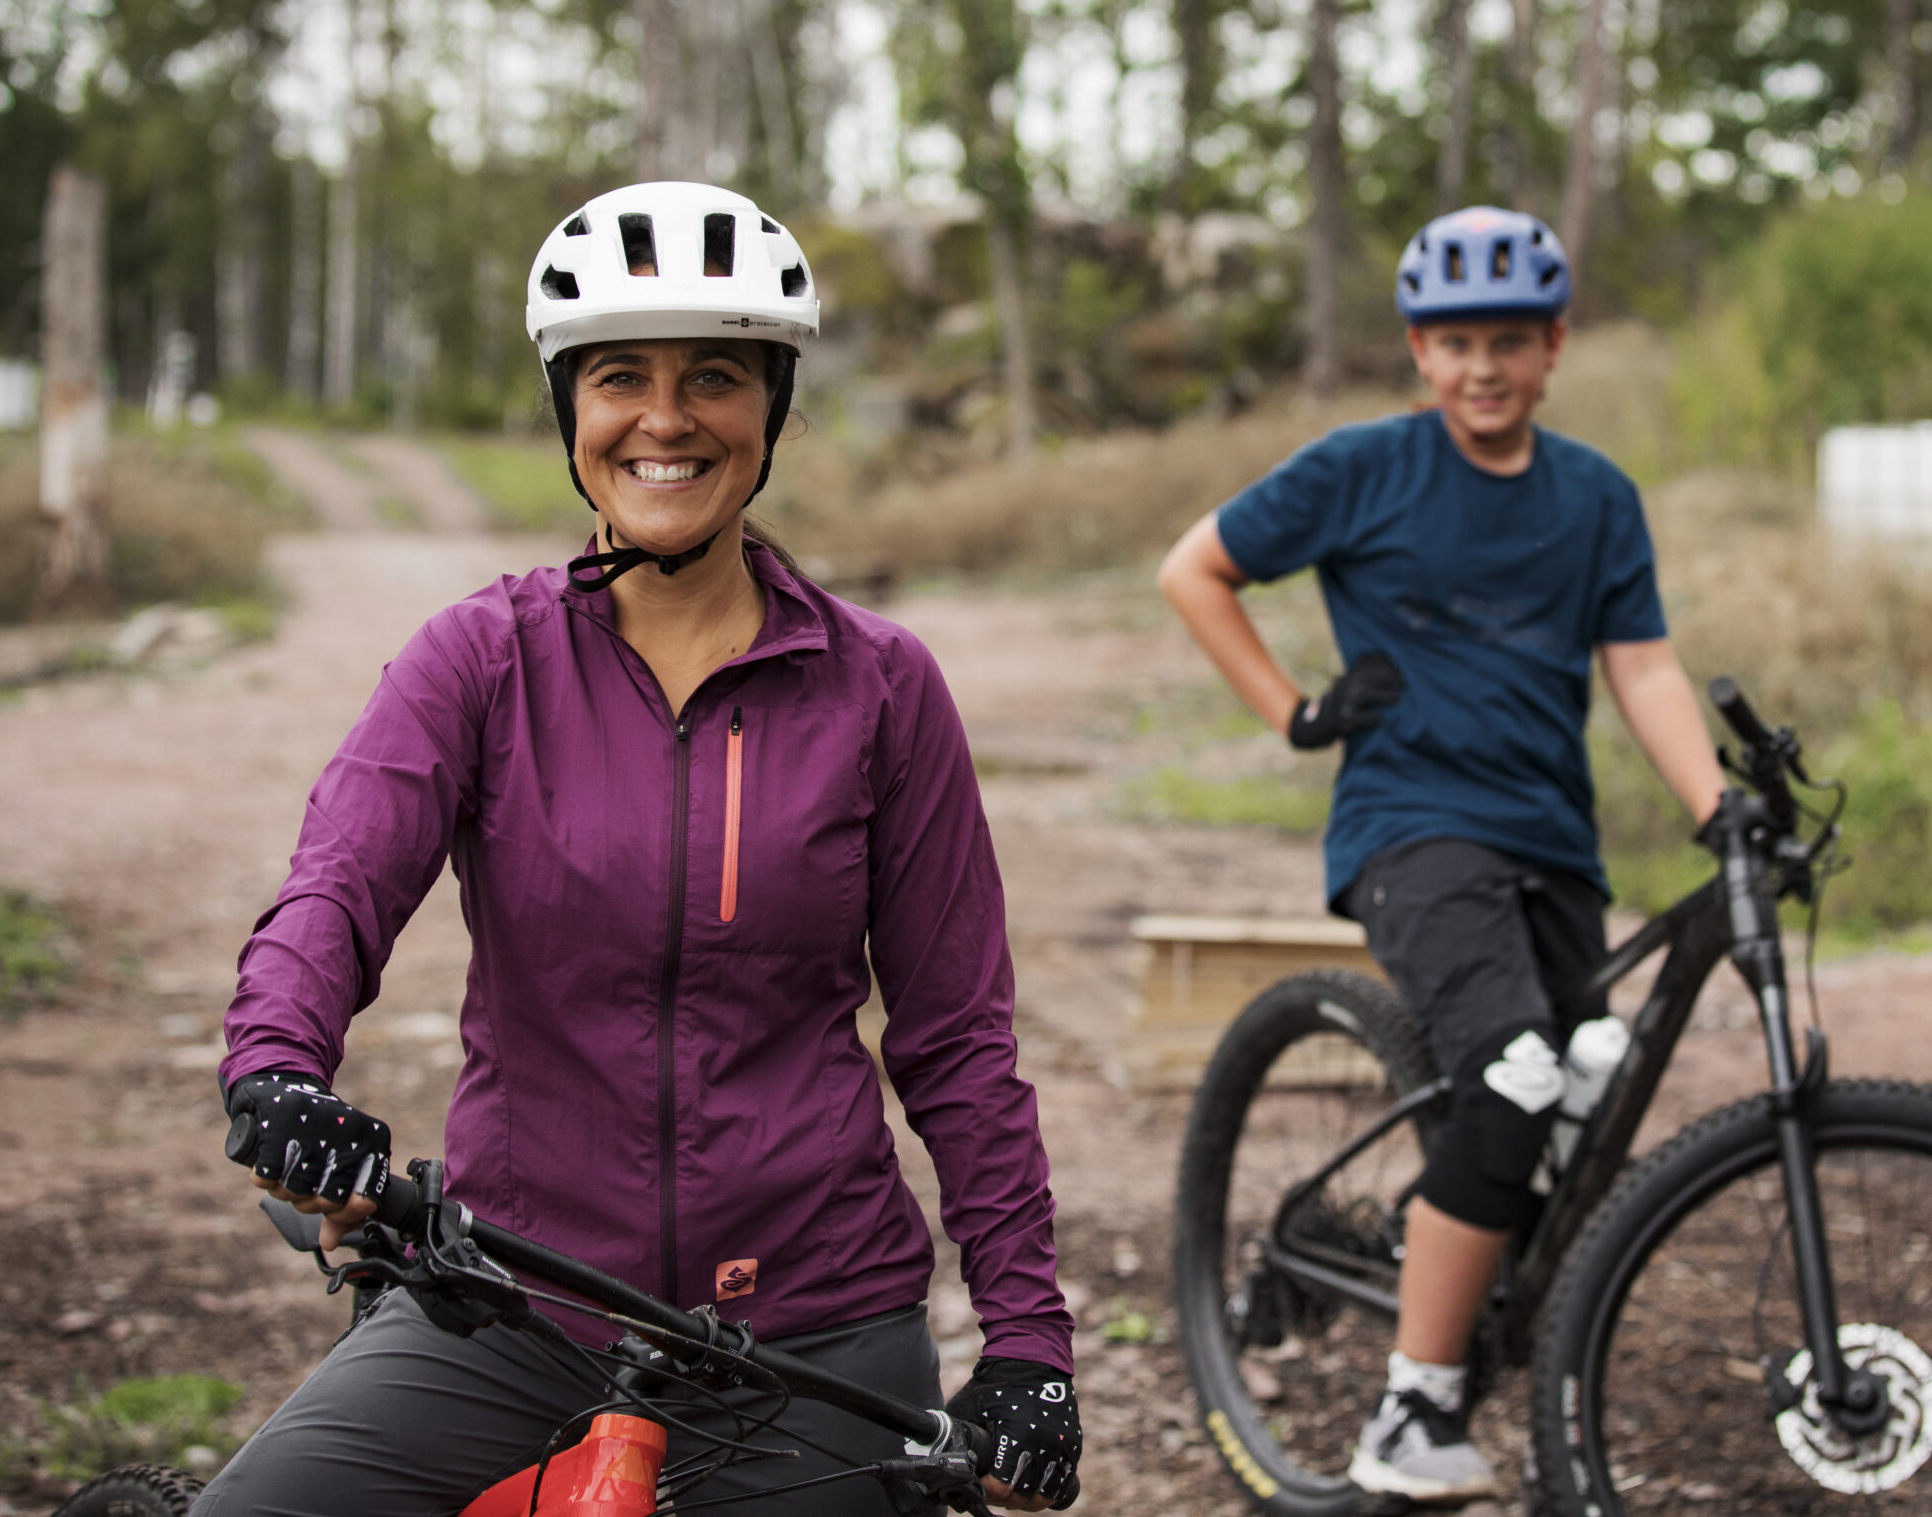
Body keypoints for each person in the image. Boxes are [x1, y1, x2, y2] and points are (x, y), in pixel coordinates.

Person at [195, 182, 1081, 1517]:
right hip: (511, 1309)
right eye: (621, 377)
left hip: (815, 1329)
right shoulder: (480, 661)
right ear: (572, 412)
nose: (666, 420)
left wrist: (1027, 1345)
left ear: (772, 409)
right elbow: (338, 888)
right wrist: (277, 1071)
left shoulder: (881, 688)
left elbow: (958, 1037)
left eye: (714, 377)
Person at [1156, 206, 1725, 1502]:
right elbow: (1196, 569)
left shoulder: (1596, 498)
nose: (1484, 367)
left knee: (1589, 1079)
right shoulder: (1364, 470)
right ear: (1420, 352)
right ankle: (1413, 1409)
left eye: (1511, 342)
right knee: (1519, 1075)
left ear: (1556, 346)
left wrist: (1711, 807)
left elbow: (1640, 664)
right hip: (1412, 828)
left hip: (1555, 845)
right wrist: (1292, 712)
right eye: (1458, 342)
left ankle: (1455, 1270)